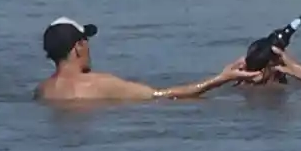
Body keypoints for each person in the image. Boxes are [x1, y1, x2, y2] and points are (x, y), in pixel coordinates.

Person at [35, 17, 260, 103]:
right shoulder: (100, 84)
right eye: (86, 40)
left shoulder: (42, 91)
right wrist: (221, 78)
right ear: (78, 47)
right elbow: (163, 95)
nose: (89, 46)